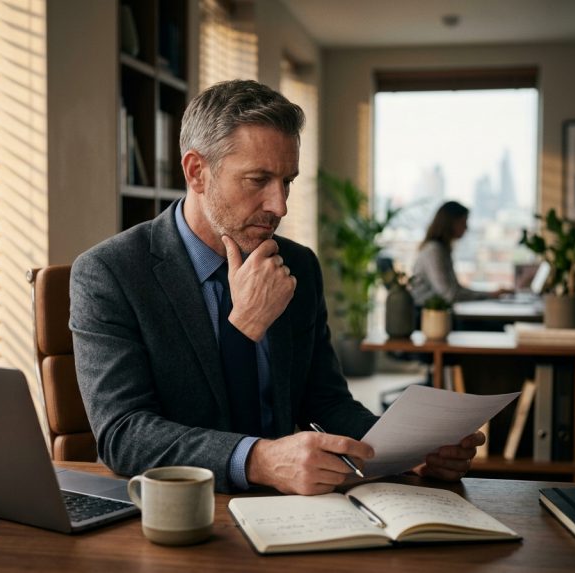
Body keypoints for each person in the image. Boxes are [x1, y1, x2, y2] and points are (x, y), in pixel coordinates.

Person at [69, 80, 484, 495]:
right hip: (182, 509)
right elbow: (123, 434)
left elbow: (326, 403)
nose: (279, 206)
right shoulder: (110, 273)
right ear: (197, 172)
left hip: (297, 510)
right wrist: (260, 458)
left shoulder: (298, 265)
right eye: (258, 179)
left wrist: (408, 450)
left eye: (287, 181)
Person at [410, 201, 512, 306]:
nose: (466, 228)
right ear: (450, 223)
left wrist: (490, 294)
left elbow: (455, 290)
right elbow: (449, 295)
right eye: (463, 222)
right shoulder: (434, 251)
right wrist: (489, 295)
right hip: (430, 316)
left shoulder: (441, 250)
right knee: (493, 321)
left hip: (438, 313)